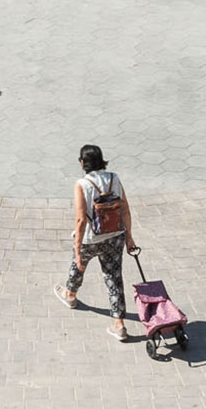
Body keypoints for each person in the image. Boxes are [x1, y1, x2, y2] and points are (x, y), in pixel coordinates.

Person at [59, 144, 139, 341]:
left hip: (91, 238)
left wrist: (77, 250)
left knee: (78, 265)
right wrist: (129, 237)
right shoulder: (114, 178)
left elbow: (80, 219)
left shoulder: (81, 184)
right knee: (113, 276)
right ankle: (119, 324)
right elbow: (125, 209)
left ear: (82, 163)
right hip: (115, 235)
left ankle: (70, 294)